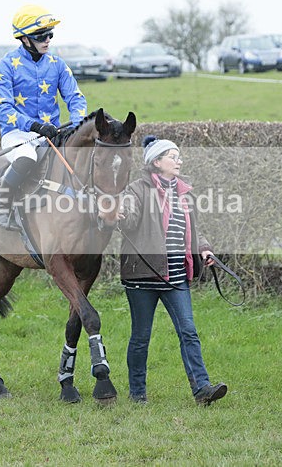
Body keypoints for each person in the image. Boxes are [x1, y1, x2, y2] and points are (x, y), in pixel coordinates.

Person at [117, 135, 227, 405]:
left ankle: (202, 390)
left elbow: (192, 230)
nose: (179, 161)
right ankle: (137, 393)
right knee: (141, 337)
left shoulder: (184, 192)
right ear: (156, 162)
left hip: (176, 276)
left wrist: (204, 248)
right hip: (143, 275)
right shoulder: (136, 190)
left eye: (179, 156)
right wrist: (120, 213)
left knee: (188, 331)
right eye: (173, 156)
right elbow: (129, 219)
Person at [0, 4, 88, 228]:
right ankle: (0, 205)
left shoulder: (57, 64)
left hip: (52, 133)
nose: (48, 40)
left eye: (50, 34)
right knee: (27, 158)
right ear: (25, 39)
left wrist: (78, 123)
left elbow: (75, 97)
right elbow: (3, 108)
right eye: (41, 36)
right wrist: (34, 126)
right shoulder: (6, 66)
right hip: (18, 135)